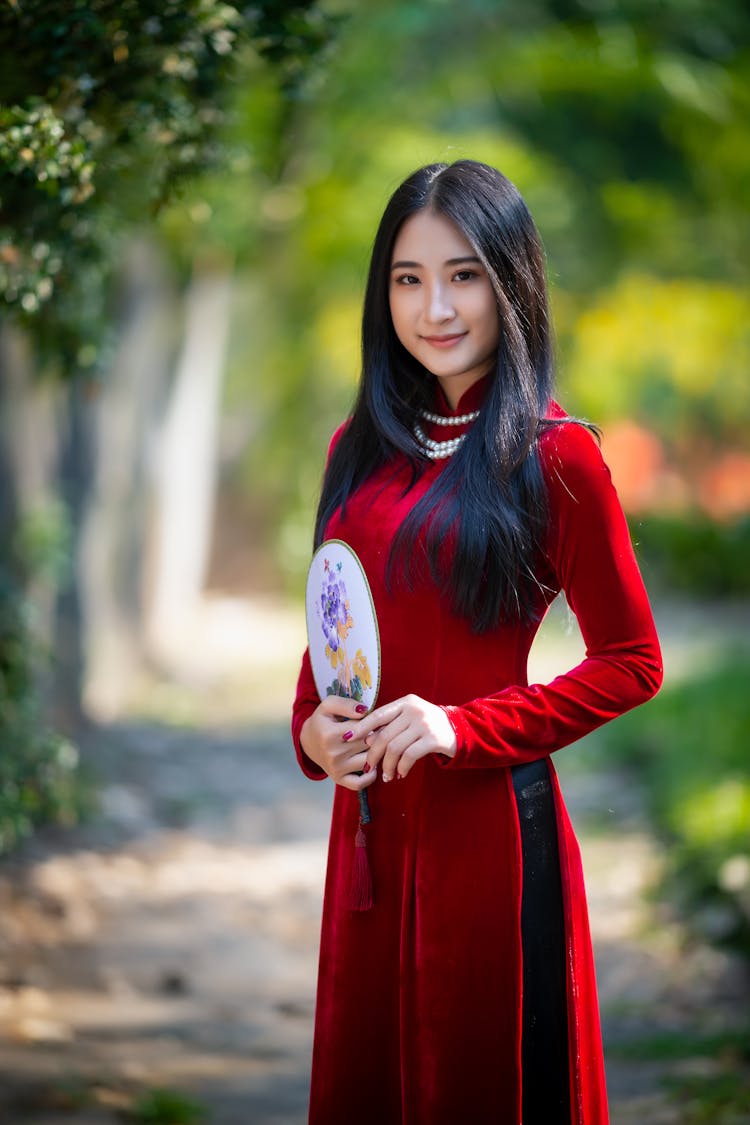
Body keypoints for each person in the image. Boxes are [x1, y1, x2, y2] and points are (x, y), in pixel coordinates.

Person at [291, 159, 662, 1125]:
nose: (435, 308)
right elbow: (330, 639)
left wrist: (464, 727)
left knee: (482, 1085)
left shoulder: (556, 454)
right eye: (408, 279)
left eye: (462, 275)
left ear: (511, 281)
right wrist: (313, 734)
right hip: (367, 842)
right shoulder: (356, 446)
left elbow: (633, 661)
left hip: (489, 836)